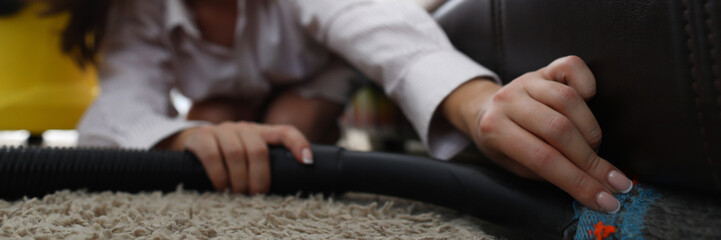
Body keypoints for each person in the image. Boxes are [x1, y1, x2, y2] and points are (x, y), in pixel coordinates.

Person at [55, 0, 632, 214]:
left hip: (324, 69)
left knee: (292, 130)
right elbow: (117, 111)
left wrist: (477, 105)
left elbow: (376, 25)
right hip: (224, 99)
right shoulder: (137, 12)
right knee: (209, 118)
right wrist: (182, 139)